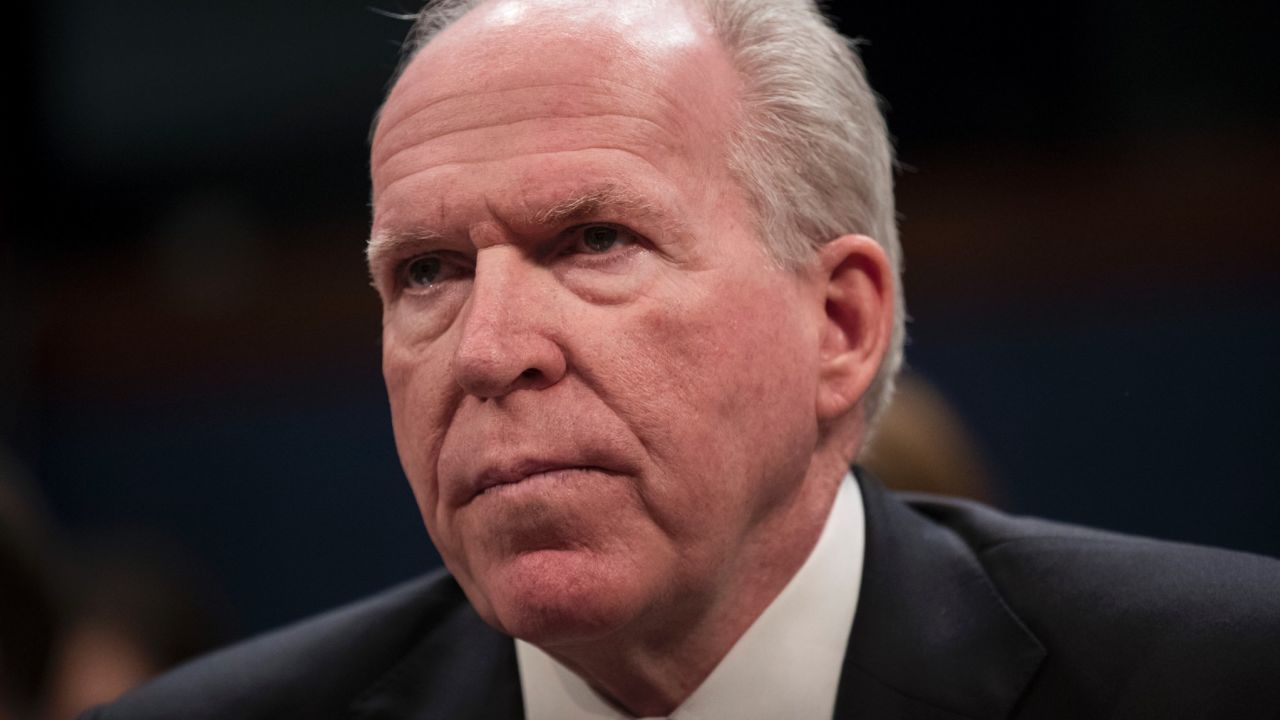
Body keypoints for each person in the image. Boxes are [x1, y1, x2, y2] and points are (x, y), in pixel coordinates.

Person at [86, 1, 1280, 718]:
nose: (489, 353)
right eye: (427, 274)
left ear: (840, 326)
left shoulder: (1221, 679)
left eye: (593, 239)